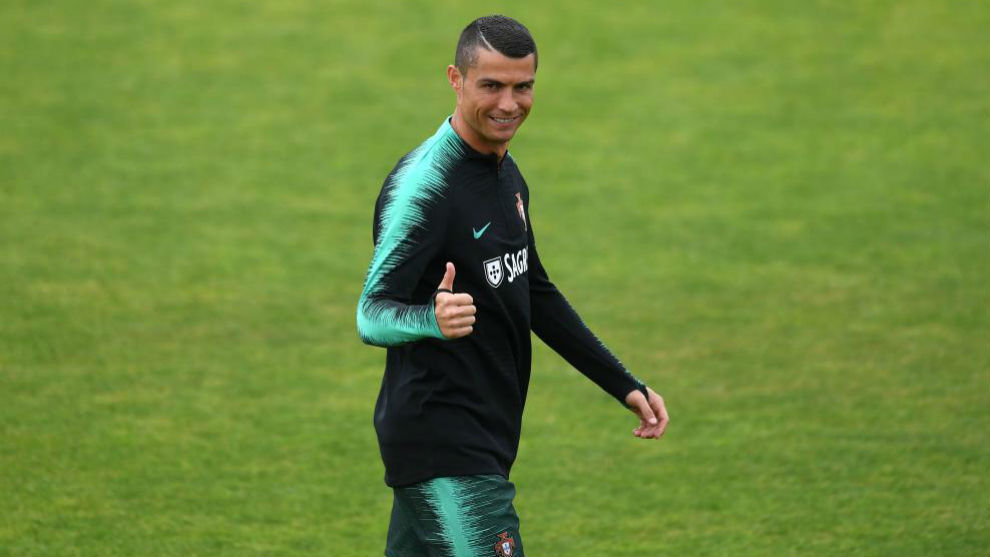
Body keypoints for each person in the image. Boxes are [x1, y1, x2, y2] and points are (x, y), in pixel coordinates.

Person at [356, 14, 669, 557]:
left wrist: (622, 383)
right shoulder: (423, 187)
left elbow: (534, 292)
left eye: (523, 87)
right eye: (491, 86)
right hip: (443, 441)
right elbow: (371, 313)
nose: (509, 104)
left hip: (487, 432)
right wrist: (431, 319)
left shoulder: (506, 173)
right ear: (455, 79)